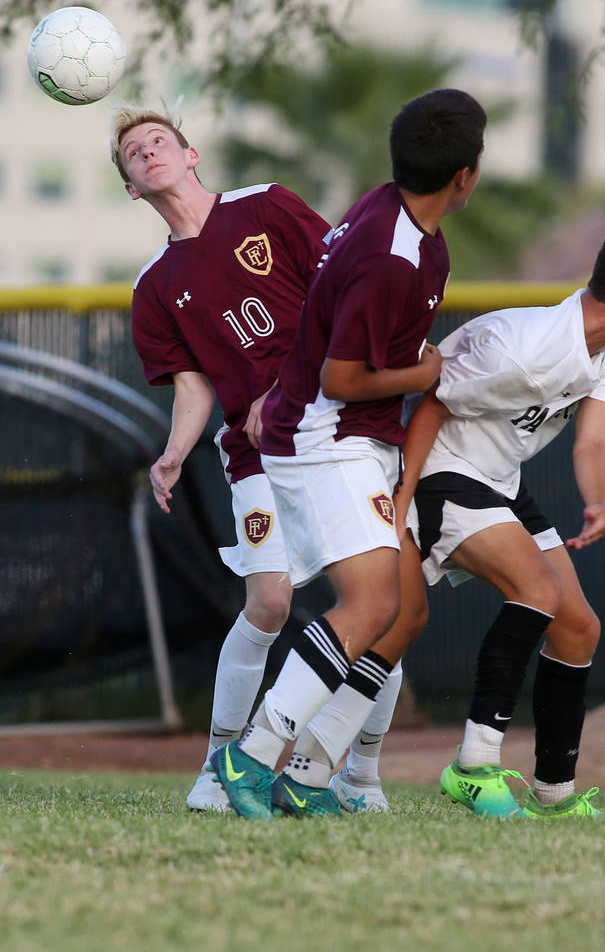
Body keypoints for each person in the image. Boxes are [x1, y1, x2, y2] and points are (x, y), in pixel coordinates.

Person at [207, 87, 488, 820]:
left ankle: (307, 774)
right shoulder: (391, 257)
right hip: (326, 436)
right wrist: (425, 374)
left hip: (357, 436)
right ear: (466, 176)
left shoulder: (396, 218)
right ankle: (251, 755)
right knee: (371, 603)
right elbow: (342, 375)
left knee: (405, 614)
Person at [114, 106, 404, 813]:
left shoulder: (266, 205)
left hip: (337, 430)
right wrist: (176, 450)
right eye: (132, 153)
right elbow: (193, 384)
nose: (148, 152)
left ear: (191, 154)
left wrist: (282, 386)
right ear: (129, 187)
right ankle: (219, 766)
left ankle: (354, 774)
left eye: (158, 141)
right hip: (254, 453)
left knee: (375, 606)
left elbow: (337, 296)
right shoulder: (154, 286)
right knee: (270, 602)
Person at [393, 224, 605, 818]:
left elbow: (593, 440)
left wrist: (599, 499)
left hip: (501, 482)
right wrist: (400, 506)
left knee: (578, 627)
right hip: (441, 471)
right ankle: (474, 768)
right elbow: (428, 406)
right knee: (537, 591)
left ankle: (554, 792)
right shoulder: (522, 347)